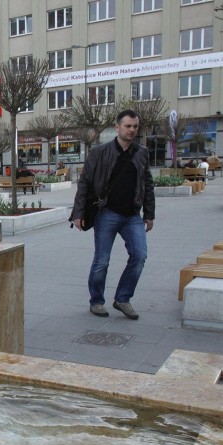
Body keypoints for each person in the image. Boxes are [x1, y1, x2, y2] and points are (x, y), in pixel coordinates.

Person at [71, 109, 155, 321]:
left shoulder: (141, 153)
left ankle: (123, 298)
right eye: (127, 126)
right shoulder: (100, 152)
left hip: (132, 216)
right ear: (117, 127)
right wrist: (78, 213)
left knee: (139, 255)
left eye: (135, 126)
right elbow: (85, 183)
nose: (132, 130)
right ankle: (96, 301)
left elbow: (147, 184)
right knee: (102, 261)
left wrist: (149, 213)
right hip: (106, 213)